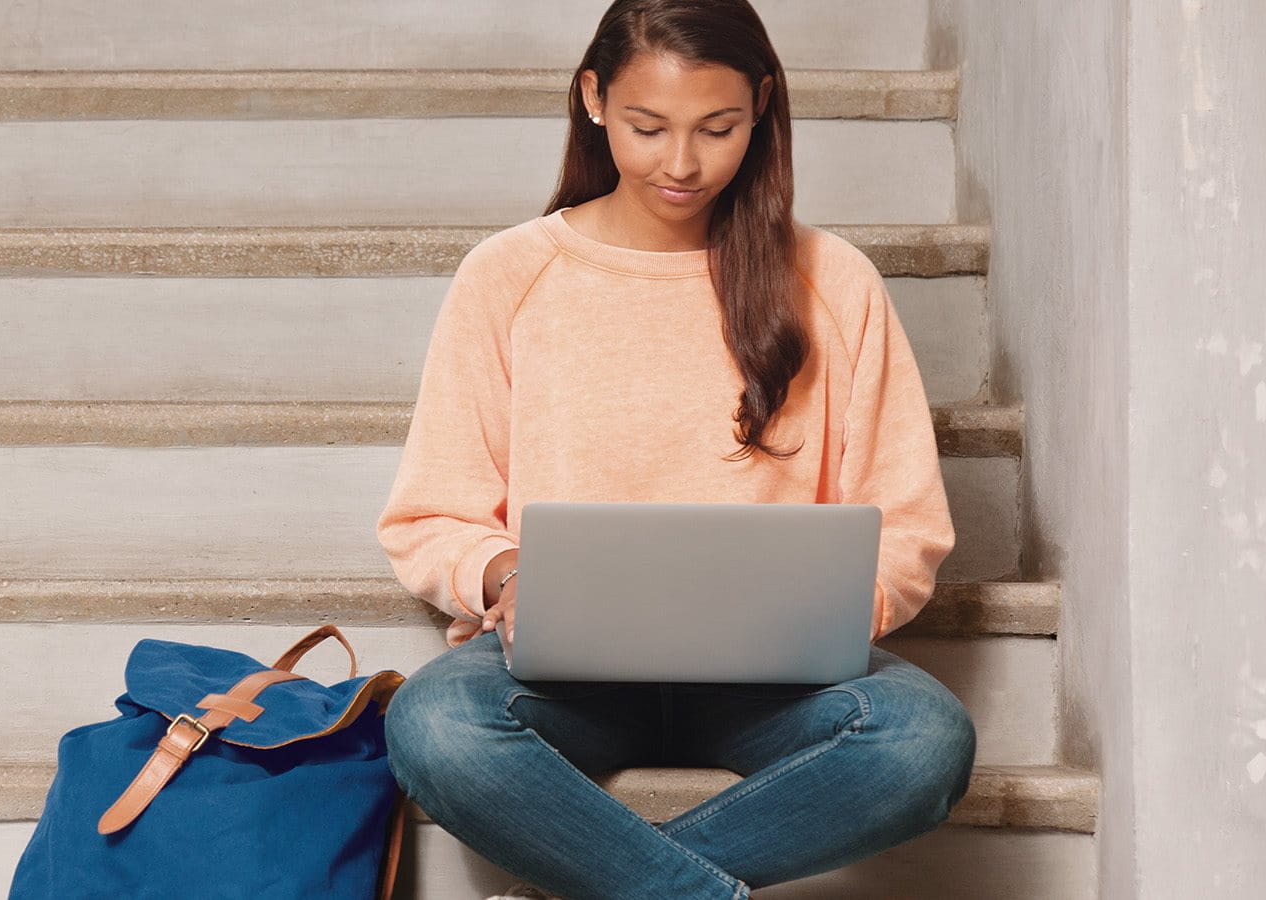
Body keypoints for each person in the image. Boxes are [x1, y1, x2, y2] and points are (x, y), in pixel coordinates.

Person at [372, 1, 978, 897]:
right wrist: (505, 574)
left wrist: (832, 609)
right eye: (648, 127)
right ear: (593, 100)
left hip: (774, 687)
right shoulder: (508, 274)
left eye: (719, 128)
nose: (683, 163)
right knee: (435, 727)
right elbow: (432, 514)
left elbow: (907, 527)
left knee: (924, 740)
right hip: (561, 679)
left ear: (762, 107)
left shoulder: (833, 282)